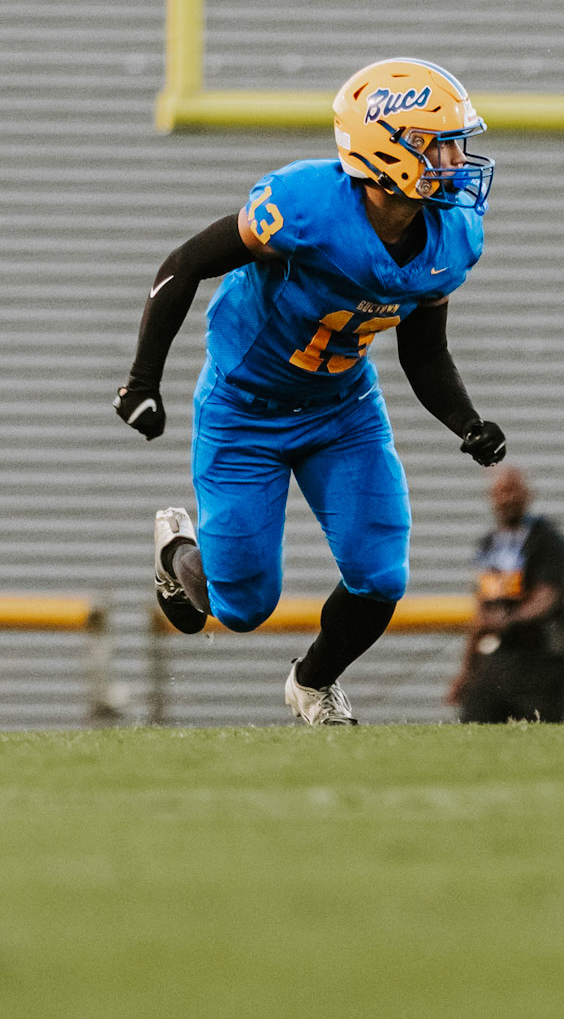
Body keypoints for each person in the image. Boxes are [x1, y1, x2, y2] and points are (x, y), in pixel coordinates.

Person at [114, 58, 507, 726]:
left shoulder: (450, 235)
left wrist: (466, 421)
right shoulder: (304, 207)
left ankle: (313, 683)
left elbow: (423, 348)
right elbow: (186, 264)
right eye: (439, 145)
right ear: (387, 148)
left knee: (381, 575)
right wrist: (143, 380)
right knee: (243, 608)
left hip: (343, 412)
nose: (455, 161)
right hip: (245, 412)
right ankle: (179, 548)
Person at [448, 467, 564, 724]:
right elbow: (483, 610)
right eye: (500, 493)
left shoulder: (547, 540)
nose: (507, 499)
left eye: (512, 491)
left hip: (541, 658)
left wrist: (510, 620)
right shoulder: (489, 544)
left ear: (528, 494)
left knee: (539, 732)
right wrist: (467, 670)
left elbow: (546, 597)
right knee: (475, 724)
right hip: (498, 658)